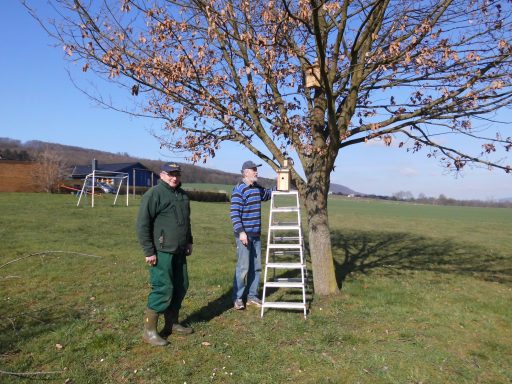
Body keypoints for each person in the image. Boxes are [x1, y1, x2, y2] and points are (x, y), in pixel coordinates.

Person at [136, 162, 194, 346]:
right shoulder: (154, 194)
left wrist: (189, 241)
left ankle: (172, 323)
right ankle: (149, 331)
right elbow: (142, 224)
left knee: (181, 285)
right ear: (162, 175)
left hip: (179, 250)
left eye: (177, 174)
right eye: (170, 174)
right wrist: (149, 251)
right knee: (163, 288)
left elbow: (186, 222)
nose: (174, 177)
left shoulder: (183, 195)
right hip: (161, 252)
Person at [230, 160, 273, 310]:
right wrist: (241, 233)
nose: (256, 172)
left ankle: (252, 296)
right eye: (254, 169)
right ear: (245, 172)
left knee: (256, 268)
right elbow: (234, 214)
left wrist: (282, 186)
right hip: (244, 235)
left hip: (256, 235)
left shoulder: (256, 188)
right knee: (243, 267)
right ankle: (237, 298)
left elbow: (267, 194)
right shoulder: (239, 190)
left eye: (256, 169)